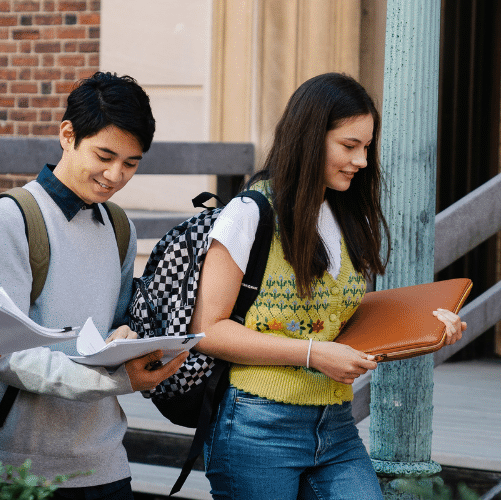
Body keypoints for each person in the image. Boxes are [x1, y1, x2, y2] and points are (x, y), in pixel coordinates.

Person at [190, 72, 468, 499]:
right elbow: (208, 330)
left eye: (367, 148)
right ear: (308, 137)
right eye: (349, 146)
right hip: (256, 424)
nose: (361, 161)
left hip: (335, 423)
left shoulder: (344, 213)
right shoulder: (249, 213)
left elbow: (341, 315)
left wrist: (425, 331)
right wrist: (312, 354)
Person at [0, 72, 189, 500]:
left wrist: (128, 340)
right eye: (105, 155)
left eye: (131, 163)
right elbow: (2, 354)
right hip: (10, 469)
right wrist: (116, 381)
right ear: (68, 135)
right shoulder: (11, 219)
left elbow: (112, 328)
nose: (115, 175)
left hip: (104, 466)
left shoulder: (119, 226)